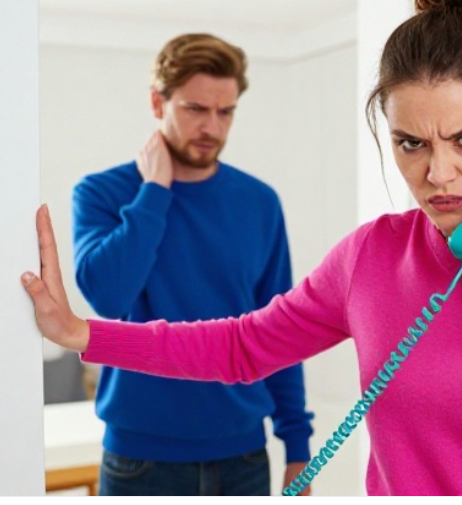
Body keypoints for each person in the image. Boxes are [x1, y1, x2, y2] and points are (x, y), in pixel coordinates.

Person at [25, 0, 462, 496]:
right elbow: (242, 346)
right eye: (410, 143)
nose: (437, 174)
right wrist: (82, 333)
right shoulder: (373, 255)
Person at [68, 33, 313, 496]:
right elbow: (108, 298)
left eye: (226, 112)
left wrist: (298, 448)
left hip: (243, 457)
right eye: (196, 109)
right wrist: (154, 193)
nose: (212, 128)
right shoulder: (101, 194)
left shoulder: (259, 202)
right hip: (140, 460)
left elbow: (281, 331)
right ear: (157, 102)